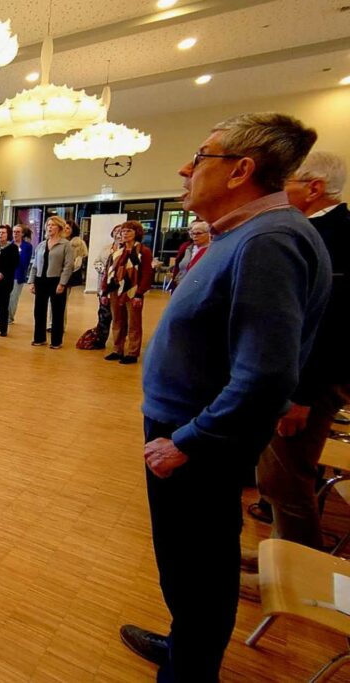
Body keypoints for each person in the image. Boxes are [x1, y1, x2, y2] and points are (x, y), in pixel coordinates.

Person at [120, 113, 330, 683]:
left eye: (199, 157)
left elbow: (265, 375)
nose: (184, 169)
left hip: (197, 441)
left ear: (241, 171)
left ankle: (188, 671)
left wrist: (188, 442)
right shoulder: (249, 234)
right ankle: (184, 646)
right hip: (191, 429)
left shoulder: (269, 240)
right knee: (190, 565)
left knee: (198, 568)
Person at [248, 152, 350, 564]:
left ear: (314, 188)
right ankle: (278, 556)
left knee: (285, 479)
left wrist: (302, 396)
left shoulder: (332, 237)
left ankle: (299, 571)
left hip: (307, 383)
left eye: (285, 182)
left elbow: (327, 326)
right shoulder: (315, 231)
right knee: (276, 477)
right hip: (295, 378)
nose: (277, 191)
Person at [101, 220, 153, 364]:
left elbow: (147, 274)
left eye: (128, 231)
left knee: (133, 322)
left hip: (133, 291)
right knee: (117, 321)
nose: (124, 234)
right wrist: (104, 291)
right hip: (115, 290)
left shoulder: (143, 251)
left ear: (137, 233)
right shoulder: (117, 251)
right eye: (122, 231)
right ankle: (117, 349)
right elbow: (108, 272)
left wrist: (139, 294)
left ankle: (132, 352)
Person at [28, 216, 74, 349]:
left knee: (57, 311)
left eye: (53, 225)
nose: (50, 227)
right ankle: (39, 338)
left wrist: (62, 283)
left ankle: (56, 341)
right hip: (40, 279)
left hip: (56, 280)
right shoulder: (41, 245)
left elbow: (68, 266)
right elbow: (35, 265)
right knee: (39, 311)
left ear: (59, 227)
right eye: (48, 225)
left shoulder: (66, 245)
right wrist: (31, 282)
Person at [168, 221, 211, 291]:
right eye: (193, 233)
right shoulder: (187, 247)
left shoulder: (213, 250)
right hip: (181, 286)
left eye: (198, 233)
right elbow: (178, 266)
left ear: (209, 233)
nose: (195, 236)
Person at [7, 225, 32, 326]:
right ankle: (1, 316)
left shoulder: (27, 246)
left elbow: (25, 262)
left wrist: (17, 253)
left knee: (13, 297)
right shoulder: (8, 245)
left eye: (18, 232)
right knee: (4, 297)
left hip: (18, 275)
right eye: (14, 231)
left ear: (22, 234)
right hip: (7, 275)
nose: (15, 234)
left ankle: (9, 317)